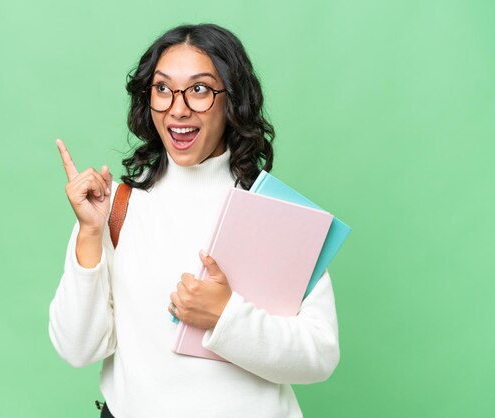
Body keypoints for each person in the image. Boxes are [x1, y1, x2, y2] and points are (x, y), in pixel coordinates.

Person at [49, 23, 340, 418]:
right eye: (163, 89)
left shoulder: (274, 211)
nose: (179, 107)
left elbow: (319, 356)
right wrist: (88, 234)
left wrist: (225, 316)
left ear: (231, 100)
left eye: (200, 89)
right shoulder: (116, 206)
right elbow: (77, 349)